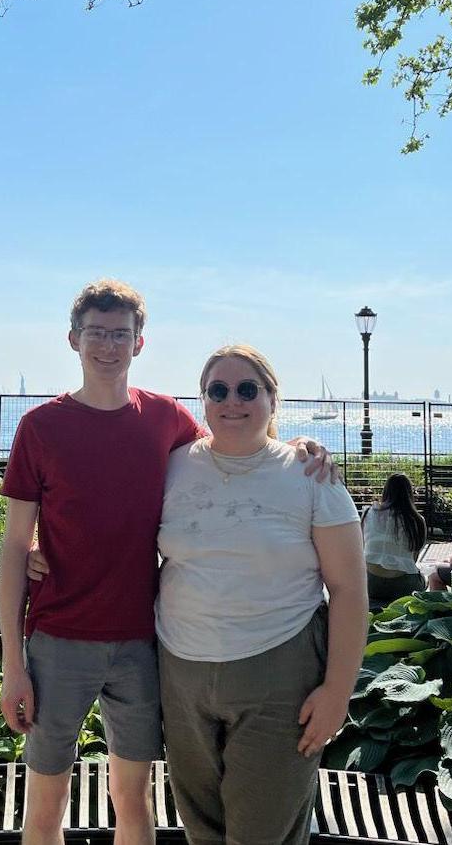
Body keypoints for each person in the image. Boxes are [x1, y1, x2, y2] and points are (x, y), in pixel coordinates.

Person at [0, 279, 333, 845]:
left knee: (134, 799)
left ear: (140, 343)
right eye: (97, 333)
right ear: (73, 339)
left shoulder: (164, 418)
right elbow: (12, 546)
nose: (108, 345)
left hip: (142, 643)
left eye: (120, 334)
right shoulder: (40, 427)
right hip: (57, 640)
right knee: (46, 802)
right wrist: (13, 665)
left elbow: (234, 442)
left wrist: (296, 445)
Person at [155, 345, 367, 845]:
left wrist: (338, 692)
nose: (233, 401)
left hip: (280, 673)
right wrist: (39, 546)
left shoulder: (312, 476)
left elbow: (349, 591)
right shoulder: (170, 467)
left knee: (263, 834)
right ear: (202, 401)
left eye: (248, 389)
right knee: (201, 830)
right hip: (181, 673)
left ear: (273, 399)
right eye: (219, 390)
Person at [361, 473, 426, 603]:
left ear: (385, 491)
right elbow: (414, 558)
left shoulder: (369, 513)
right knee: (424, 579)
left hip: (370, 581)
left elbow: (361, 547)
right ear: (409, 494)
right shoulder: (417, 520)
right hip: (404, 584)